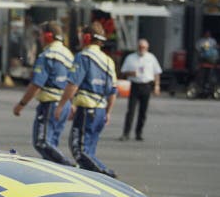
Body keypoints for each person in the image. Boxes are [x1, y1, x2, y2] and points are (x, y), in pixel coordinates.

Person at [55, 22, 118, 178]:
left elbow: (73, 84)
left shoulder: (84, 57)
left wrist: (62, 105)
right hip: (101, 110)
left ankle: (105, 174)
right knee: (89, 150)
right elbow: (113, 91)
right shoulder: (108, 61)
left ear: (87, 38)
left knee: (79, 149)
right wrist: (108, 112)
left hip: (86, 109)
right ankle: (93, 180)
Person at [13, 21, 75, 166]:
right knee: (52, 143)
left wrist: (21, 104)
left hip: (50, 104)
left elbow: (36, 84)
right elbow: (73, 83)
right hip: (64, 104)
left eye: (40, 35)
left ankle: (69, 166)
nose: (39, 39)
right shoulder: (68, 54)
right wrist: (70, 103)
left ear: (48, 36)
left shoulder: (47, 56)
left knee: (42, 142)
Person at [119, 39, 162, 142]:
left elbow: (157, 73)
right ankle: (126, 133)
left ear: (147, 48)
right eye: (140, 47)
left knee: (143, 111)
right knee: (131, 111)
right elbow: (123, 72)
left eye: (144, 47)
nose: (142, 49)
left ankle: (139, 133)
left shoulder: (151, 58)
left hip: (146, 85)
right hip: (135, 85)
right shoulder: (130, 58)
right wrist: (131, 73)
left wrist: (157, 86)